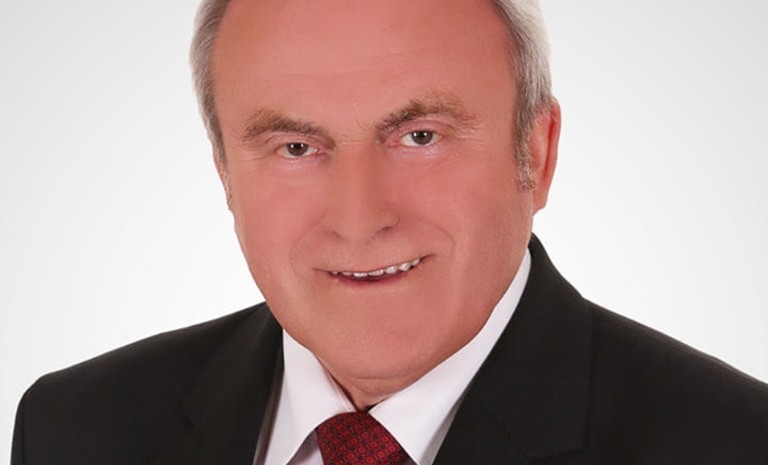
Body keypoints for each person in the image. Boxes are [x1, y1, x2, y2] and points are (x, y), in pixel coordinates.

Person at [11, 0, 768, 463]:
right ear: (224, 174)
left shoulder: (734, 442)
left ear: (536, 154)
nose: (360, 217)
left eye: (420, 136)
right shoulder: (76, 428)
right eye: (295, 147)